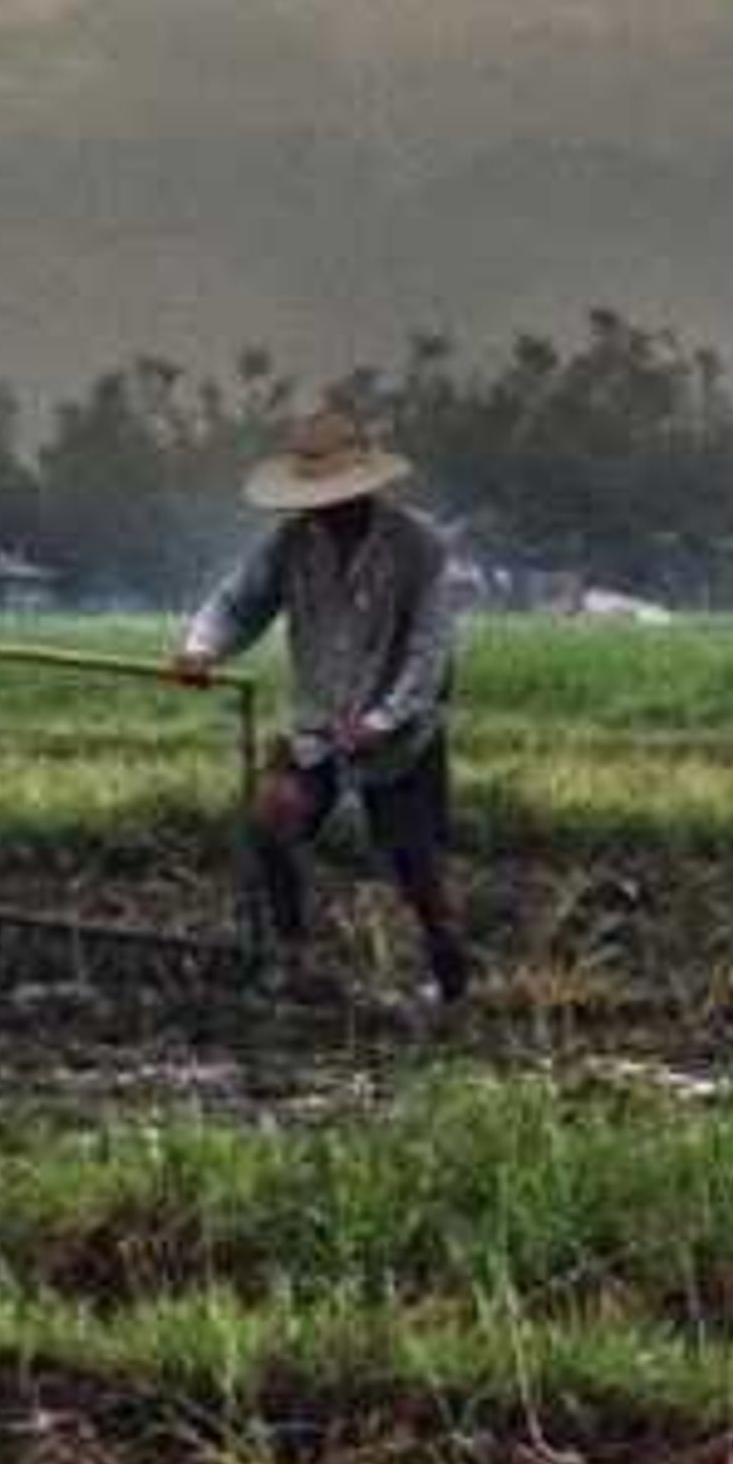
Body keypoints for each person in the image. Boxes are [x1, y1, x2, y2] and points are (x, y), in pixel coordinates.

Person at [170, 397, 470, 1009]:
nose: (323, 509)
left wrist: (382, 720)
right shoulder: (292, 543)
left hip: (400, 734)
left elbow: (429, 655)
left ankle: (452, 975)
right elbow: (237, 602)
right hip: (318, 724)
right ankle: (294, 957)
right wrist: (202, 649)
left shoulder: (419, 549)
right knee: (269, 822)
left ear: (362, 488)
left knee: (414, 865)